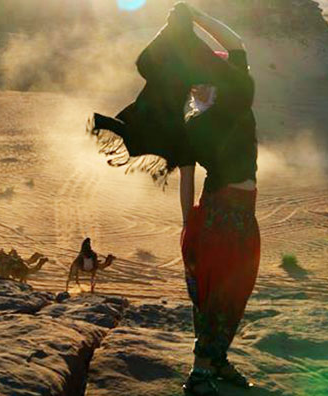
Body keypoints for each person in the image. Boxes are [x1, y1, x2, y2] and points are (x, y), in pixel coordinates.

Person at [88, 3, 258, 395]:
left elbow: (236, 43)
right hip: (217, 212)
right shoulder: (191, 125)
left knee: (237, 291)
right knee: (215, 293)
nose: (196, 86)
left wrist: (194, 16)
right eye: (192, 83)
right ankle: (201, 372)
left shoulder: (238, 96)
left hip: (243, 214)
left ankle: (218, 360)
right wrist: (189, 227)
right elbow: (186, 175)